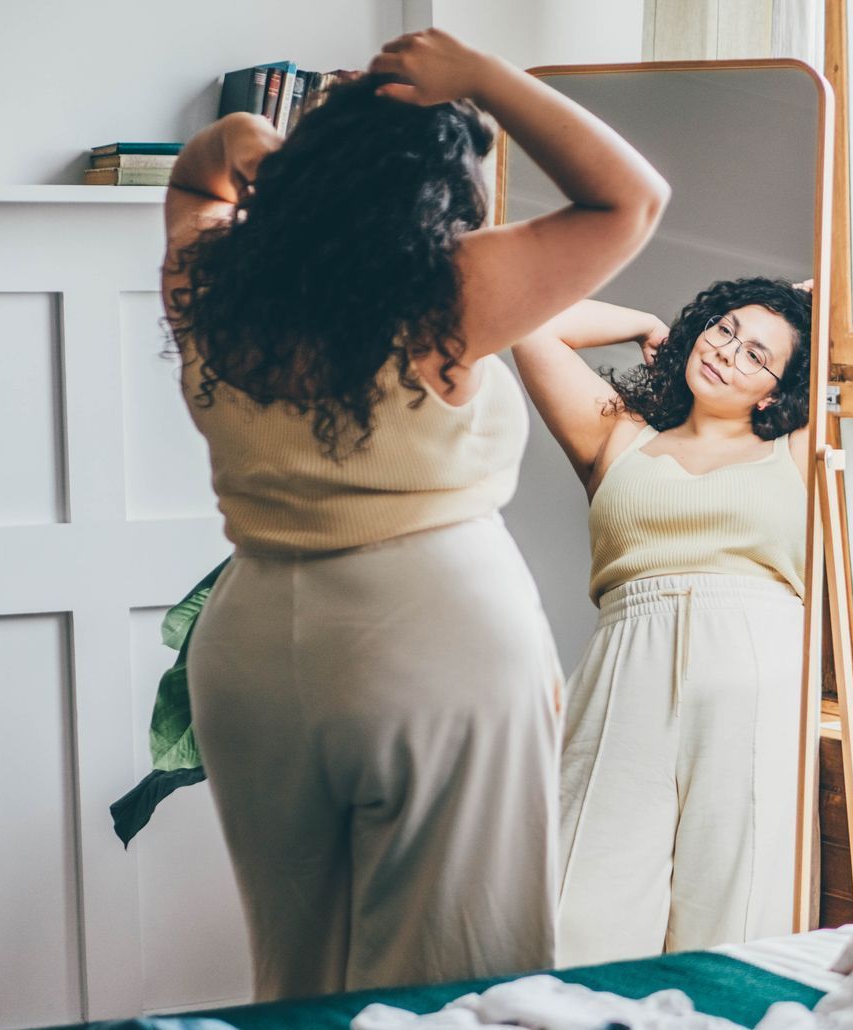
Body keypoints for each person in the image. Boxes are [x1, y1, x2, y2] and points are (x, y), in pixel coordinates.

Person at [160, 29, 668, 999]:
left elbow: (197, 178)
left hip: (254, 644)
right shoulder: (442, 292)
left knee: (295, 967)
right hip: (432, 638)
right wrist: (479, 77)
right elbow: (629, 197)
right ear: (441, 197)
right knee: (455, 968)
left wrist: (255, 141)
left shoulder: (217, 282)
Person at [510, 277, 813, 964]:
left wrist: (821, 304)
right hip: (627, 668)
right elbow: (530, 318)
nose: (728, 352)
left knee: (734, 922)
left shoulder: (795, 450)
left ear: (774, 391)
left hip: (757, 674)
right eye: (724, 329)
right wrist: (646, 321)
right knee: (577, 913)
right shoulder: (616, 433)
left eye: (756, 355)